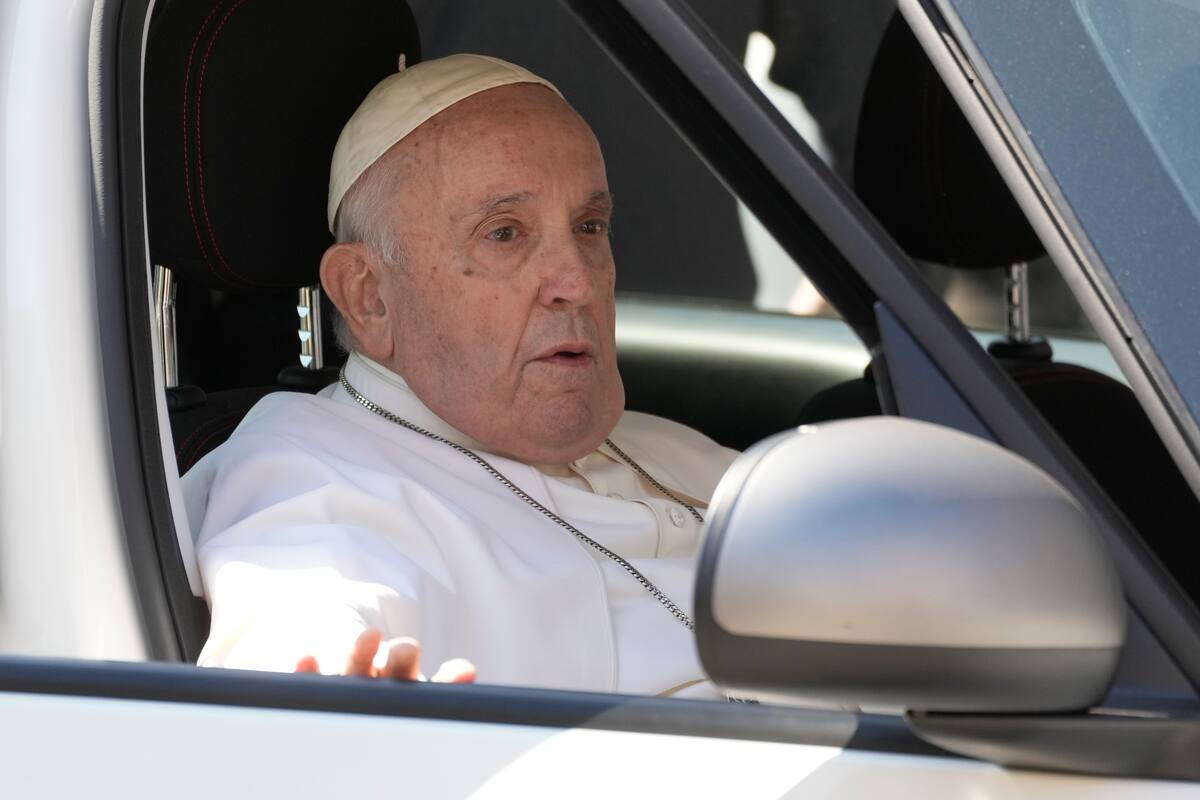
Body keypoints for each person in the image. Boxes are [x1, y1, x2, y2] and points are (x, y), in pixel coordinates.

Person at [183, 54, 738, 697]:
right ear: (368, 296)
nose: (578, 282)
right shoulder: (306, 469)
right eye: (504, 234)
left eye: (589, 227)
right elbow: (295, 614)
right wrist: (333, 697)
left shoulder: (669, 446)